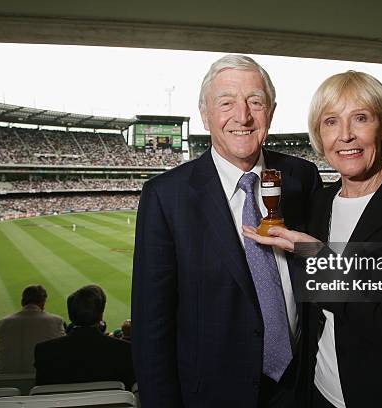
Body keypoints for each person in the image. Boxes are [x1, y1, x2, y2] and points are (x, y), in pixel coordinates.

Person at [244, 71, 382, 407]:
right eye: (331, 122)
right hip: (319, 394)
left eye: (360, 118)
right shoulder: (317, 205)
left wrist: (319, 257)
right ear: (319, 135)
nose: (345, 135)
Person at [132, 54, 322, 408]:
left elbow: (322, 277)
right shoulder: (165, 196)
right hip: (213, 396)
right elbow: (151, 327)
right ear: (205, 114)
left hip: (302, 390)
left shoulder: (303, 177)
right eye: (226, 102)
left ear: (272, 111)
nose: (243, 116)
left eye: (255, 101)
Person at [34, 285, 135, 391]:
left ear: (71, 316)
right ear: (101, 315)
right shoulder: (125, 350)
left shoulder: (44, 351)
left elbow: (42, 393)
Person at [0, 284, 65, 373]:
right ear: (43, 302)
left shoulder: (1, 324)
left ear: (22, 302)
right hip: (42, 382)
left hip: (4, 382)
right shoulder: (57, 321)